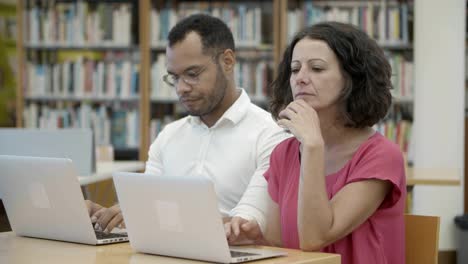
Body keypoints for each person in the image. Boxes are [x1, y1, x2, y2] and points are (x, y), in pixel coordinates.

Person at [86, 14, 288, 235]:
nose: (181, 88)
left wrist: (148, 213)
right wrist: (110, 217)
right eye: (174, 77)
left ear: (227, 62)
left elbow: (246, 225)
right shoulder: (169, 135)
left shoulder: (271, 135)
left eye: (192, 74)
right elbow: (146, 203)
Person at [225, 22, 406, 264]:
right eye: (295, 68)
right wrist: (256, 237)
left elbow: (314, 238)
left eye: (317, 68)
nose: (300, 78)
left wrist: (312, 145)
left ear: (353, 79)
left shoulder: (381, 156)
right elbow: (289, 241)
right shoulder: (284, 153)